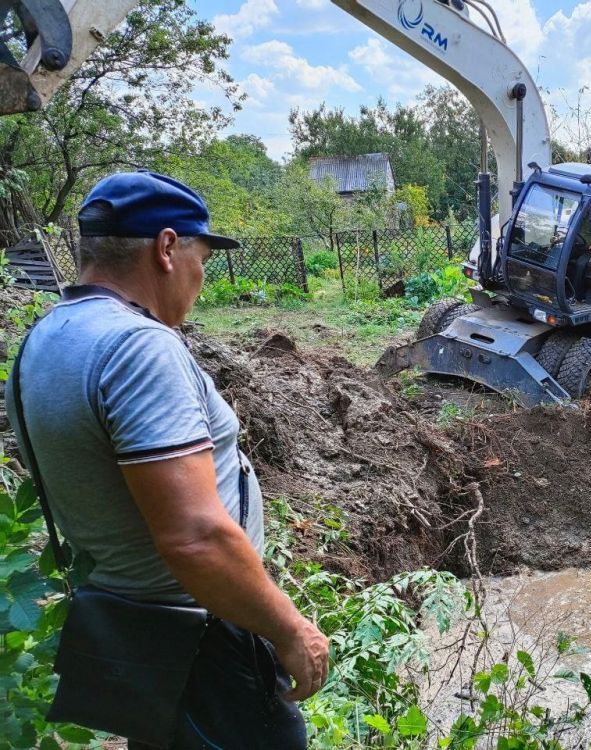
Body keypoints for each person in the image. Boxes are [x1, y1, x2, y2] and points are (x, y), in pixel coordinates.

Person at [7, 171, 328, 749]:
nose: (202, 279)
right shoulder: (138, 348)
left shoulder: (45, 340)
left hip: (140, 643)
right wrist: (290, 629)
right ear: (167, 248)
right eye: (202, 257)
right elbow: (195, 537)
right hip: (204, 646)